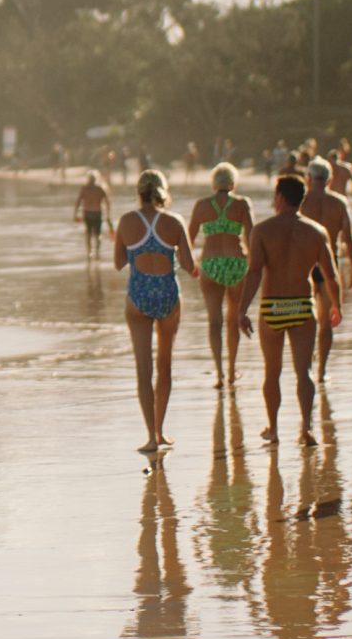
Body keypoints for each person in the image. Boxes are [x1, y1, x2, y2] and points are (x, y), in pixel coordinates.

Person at [231, 175, 339, 447]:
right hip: (303, 305)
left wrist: (241, 309)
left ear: (280, 197)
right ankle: (306, 428)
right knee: (304, 371)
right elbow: (330, 274)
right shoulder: (316, 231)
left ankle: (274, 429)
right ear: (301, 198)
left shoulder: (263, 230)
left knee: (272, 371)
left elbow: (254, 272)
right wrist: (336, 305)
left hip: (273, 306)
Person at [116, 170, 192, 458]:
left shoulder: (126, 221)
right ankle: (161, 430)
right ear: (162, 191)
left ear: (139, 191)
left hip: (138, 294)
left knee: (143, 368)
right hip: (168, 294)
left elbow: (118, 262)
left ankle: (150, 437)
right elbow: (187, 263)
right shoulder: (174, 222)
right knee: (165, 364)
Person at [192, 163, 256, 386]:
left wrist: (192, 265)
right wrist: (255, 262)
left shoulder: (201, 205)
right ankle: (231, 370)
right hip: (236, 263)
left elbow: (188, 239)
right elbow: (251, 236)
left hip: (209, 264)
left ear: (213, 183)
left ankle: (218, 372)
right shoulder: (241, 204)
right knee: (232, 320)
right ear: (232, 183)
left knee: (214, 321)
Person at [300, 158, 352, 374]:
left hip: (304, 267)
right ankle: (322, 372)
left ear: (308, 178)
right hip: (329, 265)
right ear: (329, 179)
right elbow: (349, 239)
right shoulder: (338, 203)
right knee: (327, 321)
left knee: (306, 318)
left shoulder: (300, 202)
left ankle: (307, 364)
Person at [73, 170, 111, 261]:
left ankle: (89, 253)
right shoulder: (100, 188)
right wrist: (108, 214)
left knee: (88, 234)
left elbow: (78, 202)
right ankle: (97, 252)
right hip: (97, 213)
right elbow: (107, 202)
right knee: (98, 234)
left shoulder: (84, 189)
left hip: (87, 213)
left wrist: (75, 214)